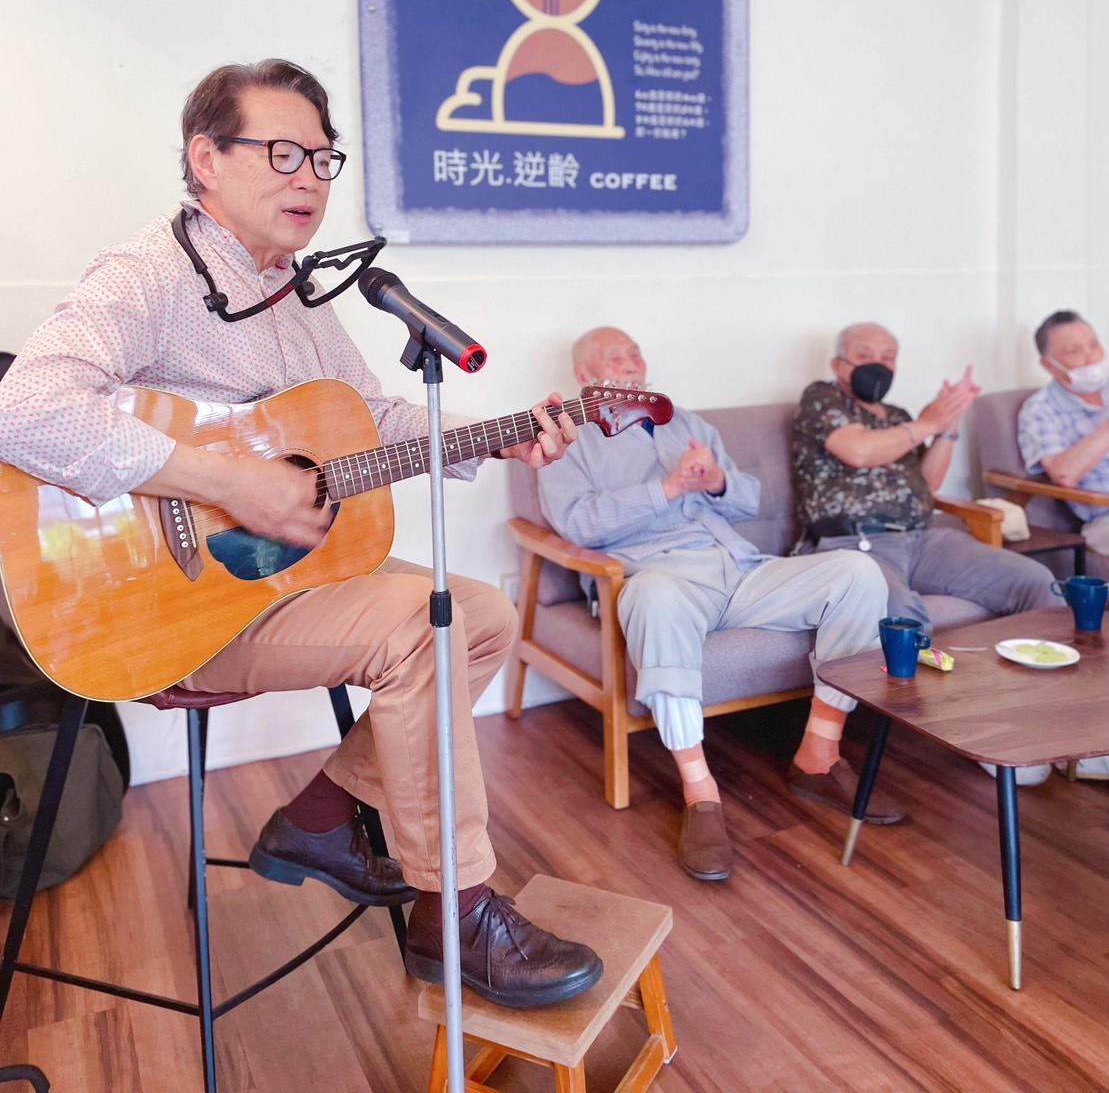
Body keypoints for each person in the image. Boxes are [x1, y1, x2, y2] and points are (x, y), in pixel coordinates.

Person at [0, 59, 602, 1010]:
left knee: (478, 611)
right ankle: (455, 913)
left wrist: (501, 434)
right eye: (283, 152)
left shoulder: (296, 295)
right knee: (426, 620)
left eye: (324, 158)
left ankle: (325, 815)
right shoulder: (148, 274)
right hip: (168, 612)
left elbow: (366, 418)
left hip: (274, 583)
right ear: (206, 158)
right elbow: (24, 409)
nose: (311, 178)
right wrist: (230, 478)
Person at [536, 327, 902, 886]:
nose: (633, 361)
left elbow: (751, 500)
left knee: (857, 572)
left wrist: (715, 479)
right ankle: (701, 793)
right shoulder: (566, 441)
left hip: (741, 568)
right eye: (616, 356)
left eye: (636, 351)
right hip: (663, 576)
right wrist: (669, 489)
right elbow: (577, 523)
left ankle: (818, 756)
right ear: (585, 376)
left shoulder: (684, 421)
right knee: (653, 598)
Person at [793, 322, 1057, 785]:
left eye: (889, 354)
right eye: (866, 353)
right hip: (853, 543)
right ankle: (980, 732)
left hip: (924, 535)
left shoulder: (896, 414)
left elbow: (928, 484)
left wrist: (947, 428)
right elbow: (857, 451)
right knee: (901, 616)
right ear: (839, 365)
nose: (880, 362)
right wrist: (928, 422)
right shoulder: (821, 399)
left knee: (1037, 582)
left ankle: (1046, 719)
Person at [1018, 310, 1109, 557]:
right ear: (1049, 365)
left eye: (1094, 346)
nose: (1090, 358)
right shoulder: (1039, 410)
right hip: (1103, 519)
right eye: (1075, 351)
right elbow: (1063, 473)